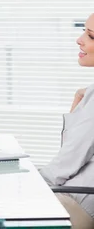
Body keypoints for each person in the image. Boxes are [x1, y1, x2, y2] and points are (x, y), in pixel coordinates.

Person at [40, 13, 94, 229]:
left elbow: (67, 163)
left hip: (78, 202)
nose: (79, 39)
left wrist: (30, 181)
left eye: (91, 36)